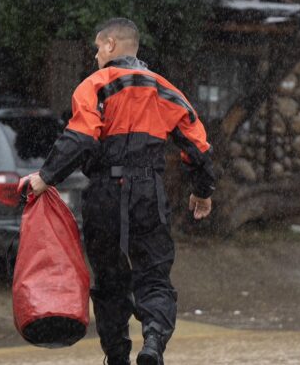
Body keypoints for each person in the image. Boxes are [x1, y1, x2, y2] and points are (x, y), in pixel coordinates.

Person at [27, 18, 215, 365]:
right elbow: (197, 145)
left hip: (105, 194)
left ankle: (117, 357)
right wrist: (202, 190)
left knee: (110, 281)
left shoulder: (94, 86)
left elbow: (80, 138)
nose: (96, 55)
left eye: (98, 47)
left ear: (111, 44)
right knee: (154, 275)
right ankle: (153, 343)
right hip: (148, 191)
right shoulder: (164, 89)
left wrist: (46, 176)